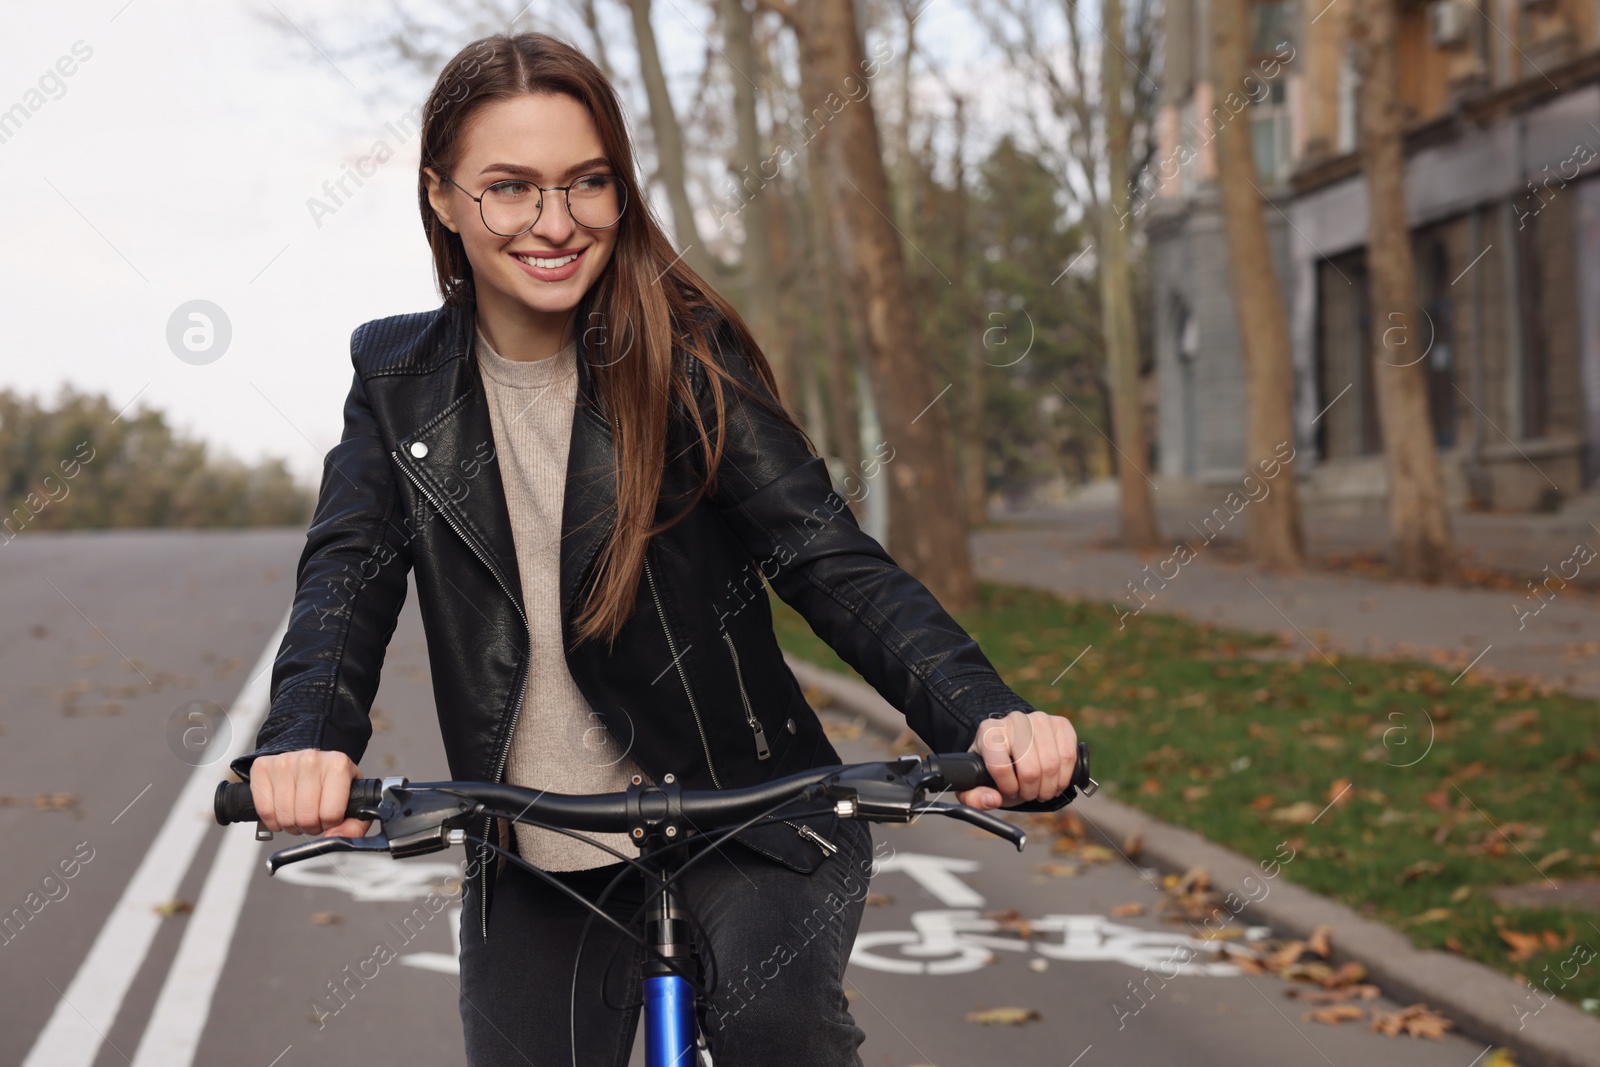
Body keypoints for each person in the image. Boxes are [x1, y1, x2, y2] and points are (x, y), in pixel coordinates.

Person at [232, 31, 1079, 1067]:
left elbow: (824, 558)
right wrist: (307, 735)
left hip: (748, 817)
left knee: (781, 1029)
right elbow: (347, 572)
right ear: (444, 197)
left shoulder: (681, 353)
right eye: (509, 187)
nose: (556, 223)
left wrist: (983, 713)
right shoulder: (396, 373)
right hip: (536, 849)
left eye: (587, 182)